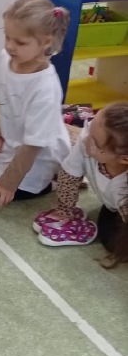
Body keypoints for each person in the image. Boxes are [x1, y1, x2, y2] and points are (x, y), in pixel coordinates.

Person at [0, 0, 71, 206]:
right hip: (10, 138)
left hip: (36, 154)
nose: (10, 46)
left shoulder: (46, 88)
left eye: (20, 42)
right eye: (7, 37)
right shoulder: (6, 58)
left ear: (45, 43)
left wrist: (9, 182)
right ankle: (5, 166)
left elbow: (33, 146)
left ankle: (51, 182)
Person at [33, 102, 128, 250]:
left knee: (112, 242)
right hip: (114, 203)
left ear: (124, 159)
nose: (84, 139)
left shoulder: (123, 187)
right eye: (89, 127)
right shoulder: (87, 140)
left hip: (122, 203)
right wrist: (64, 210)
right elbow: (69, 175)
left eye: (95, 142)